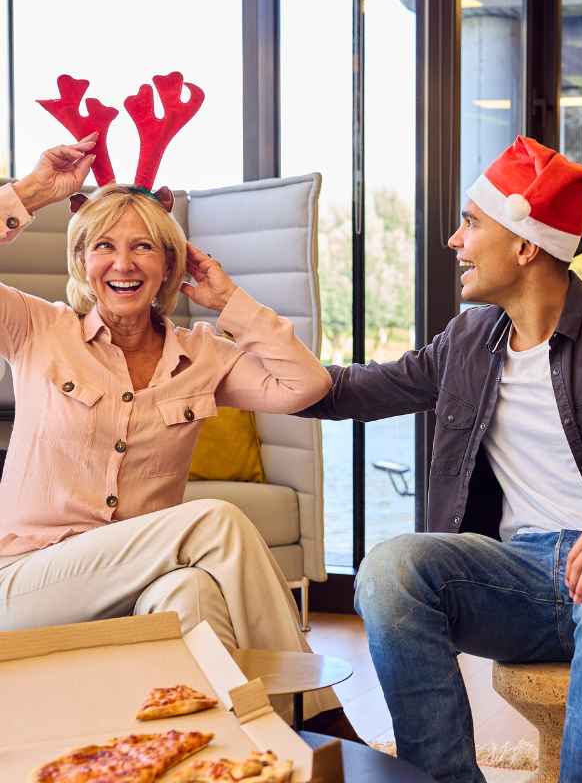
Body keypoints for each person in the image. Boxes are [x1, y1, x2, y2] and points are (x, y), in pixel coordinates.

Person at [295, 136, 582, 783]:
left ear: (526, 246)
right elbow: (355, 388)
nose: (455, 240)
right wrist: (245, 339)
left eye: (471, 223)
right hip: (515, 582)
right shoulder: (468, 340)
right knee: (389, 569)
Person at [0, 136, 356, 738]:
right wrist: (32, 192)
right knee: (213, 520)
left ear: (171, 263)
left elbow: (304, 385)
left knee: (192, 593)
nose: (123, 263)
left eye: (143, 246)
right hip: (29, 584)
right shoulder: (36, 327)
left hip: (143, 583)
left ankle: (235, 752)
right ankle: (322, 723)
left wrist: (229, 301)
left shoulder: (201, 356)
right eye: (104, 246)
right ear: (81, 260)